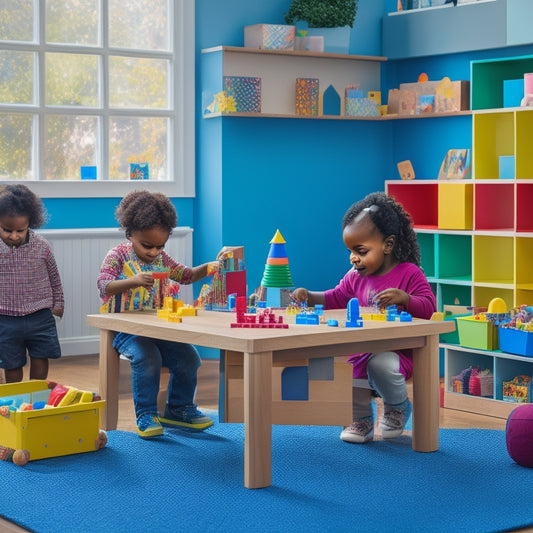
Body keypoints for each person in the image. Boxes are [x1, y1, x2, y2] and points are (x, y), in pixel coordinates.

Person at [291, 192, 436, 444]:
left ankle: (397, 407)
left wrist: (405, 299)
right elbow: (335, 297)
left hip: (398, 353)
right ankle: (360, 419)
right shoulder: (355, 276)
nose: (353, 258)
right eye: (350, 251)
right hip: (362, 349)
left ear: (388, 245)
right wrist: (310, 297)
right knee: (350, 370)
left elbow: (429, 308)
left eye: (361, 250)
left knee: (379, 364)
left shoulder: (409, 274)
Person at [97, 190, 217, 438]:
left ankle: (179, 409)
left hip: (159, 328)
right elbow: (104, 285)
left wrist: (207, 267)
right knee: (147, 357)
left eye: (160, 246)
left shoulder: (163, 259)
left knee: (189, 358)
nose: (153, 252)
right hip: (127, 330)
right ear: (130, 234)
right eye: (147, 245)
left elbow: (186, 276)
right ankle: (146, 414)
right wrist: (133, 281)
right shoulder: (118, 255)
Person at [0, 184, 64, 383]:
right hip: (5, 317)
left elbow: (54, 277)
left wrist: (58, 305)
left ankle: (35, 395)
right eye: (7, 230)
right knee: (11, 364)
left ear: (31, 223)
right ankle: (16, 400)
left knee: (41, 357)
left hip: (40, 315)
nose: (14, 235)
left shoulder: (42, 246)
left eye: (21, 229)